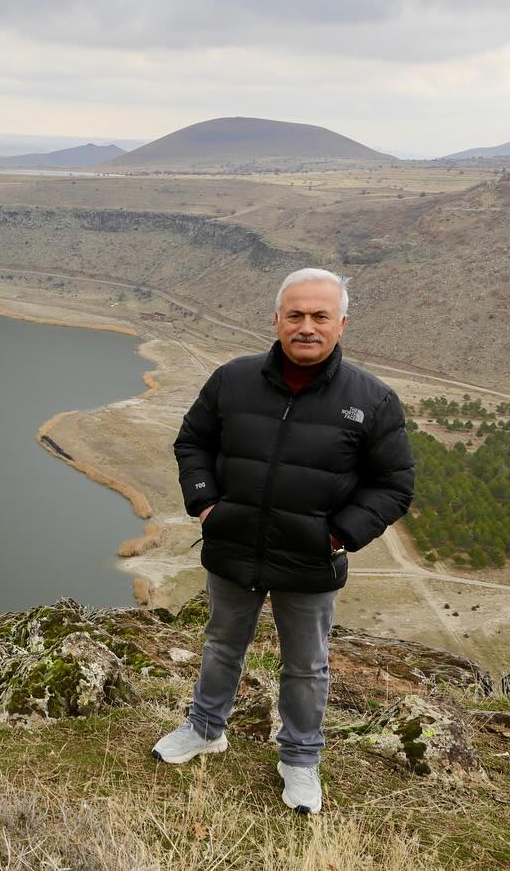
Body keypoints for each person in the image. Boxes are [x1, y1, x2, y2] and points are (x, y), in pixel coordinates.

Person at [152, 267, 415, 814]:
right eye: (295, 315)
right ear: (276, 320)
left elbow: (393, 485)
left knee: (306, 665)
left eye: (320, 316)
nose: (306, 327)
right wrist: (205, 504)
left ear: (342, 323)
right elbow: (193, 443)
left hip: (310, 559)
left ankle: (299, 760)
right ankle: (205, 729)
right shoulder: (233, 379)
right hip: (233, 546)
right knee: (223, 643)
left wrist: (339, 535)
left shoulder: (372, 399)